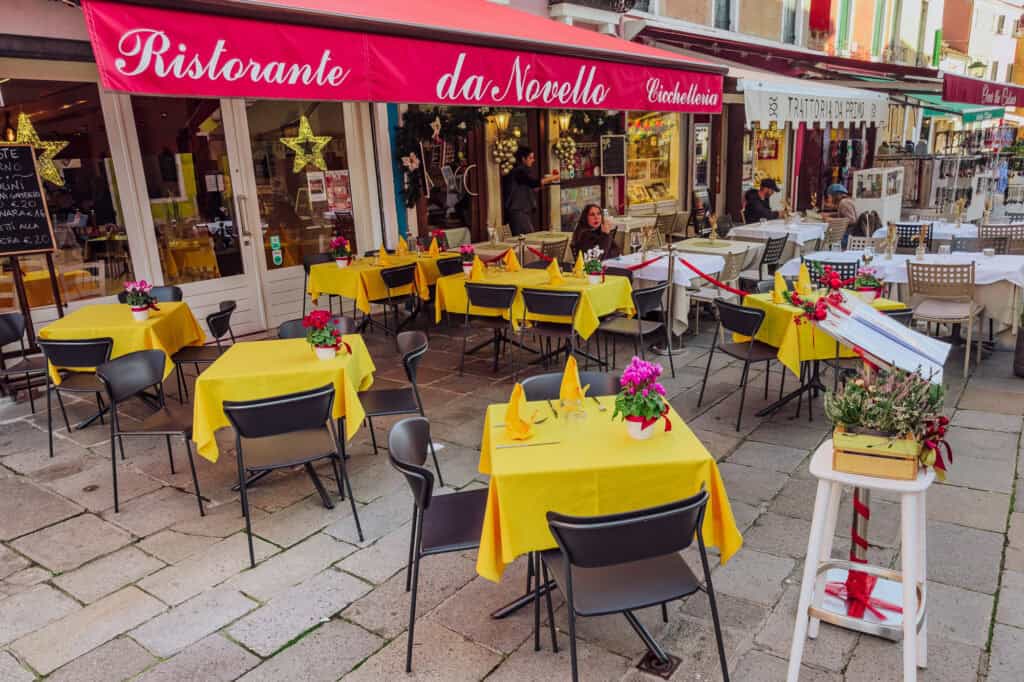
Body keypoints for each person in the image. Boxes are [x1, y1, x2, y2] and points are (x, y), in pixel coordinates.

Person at [502, 146, 554, 236]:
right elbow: (533, 183)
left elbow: (531, 187)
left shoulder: (522, 171)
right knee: (526, 238)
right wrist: (554, 177)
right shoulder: (518, 171)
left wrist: (544, 184)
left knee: (527, 238)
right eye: (530, 158)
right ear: (523, 159)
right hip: (517, 211)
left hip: (522, 211)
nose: (533, 160)